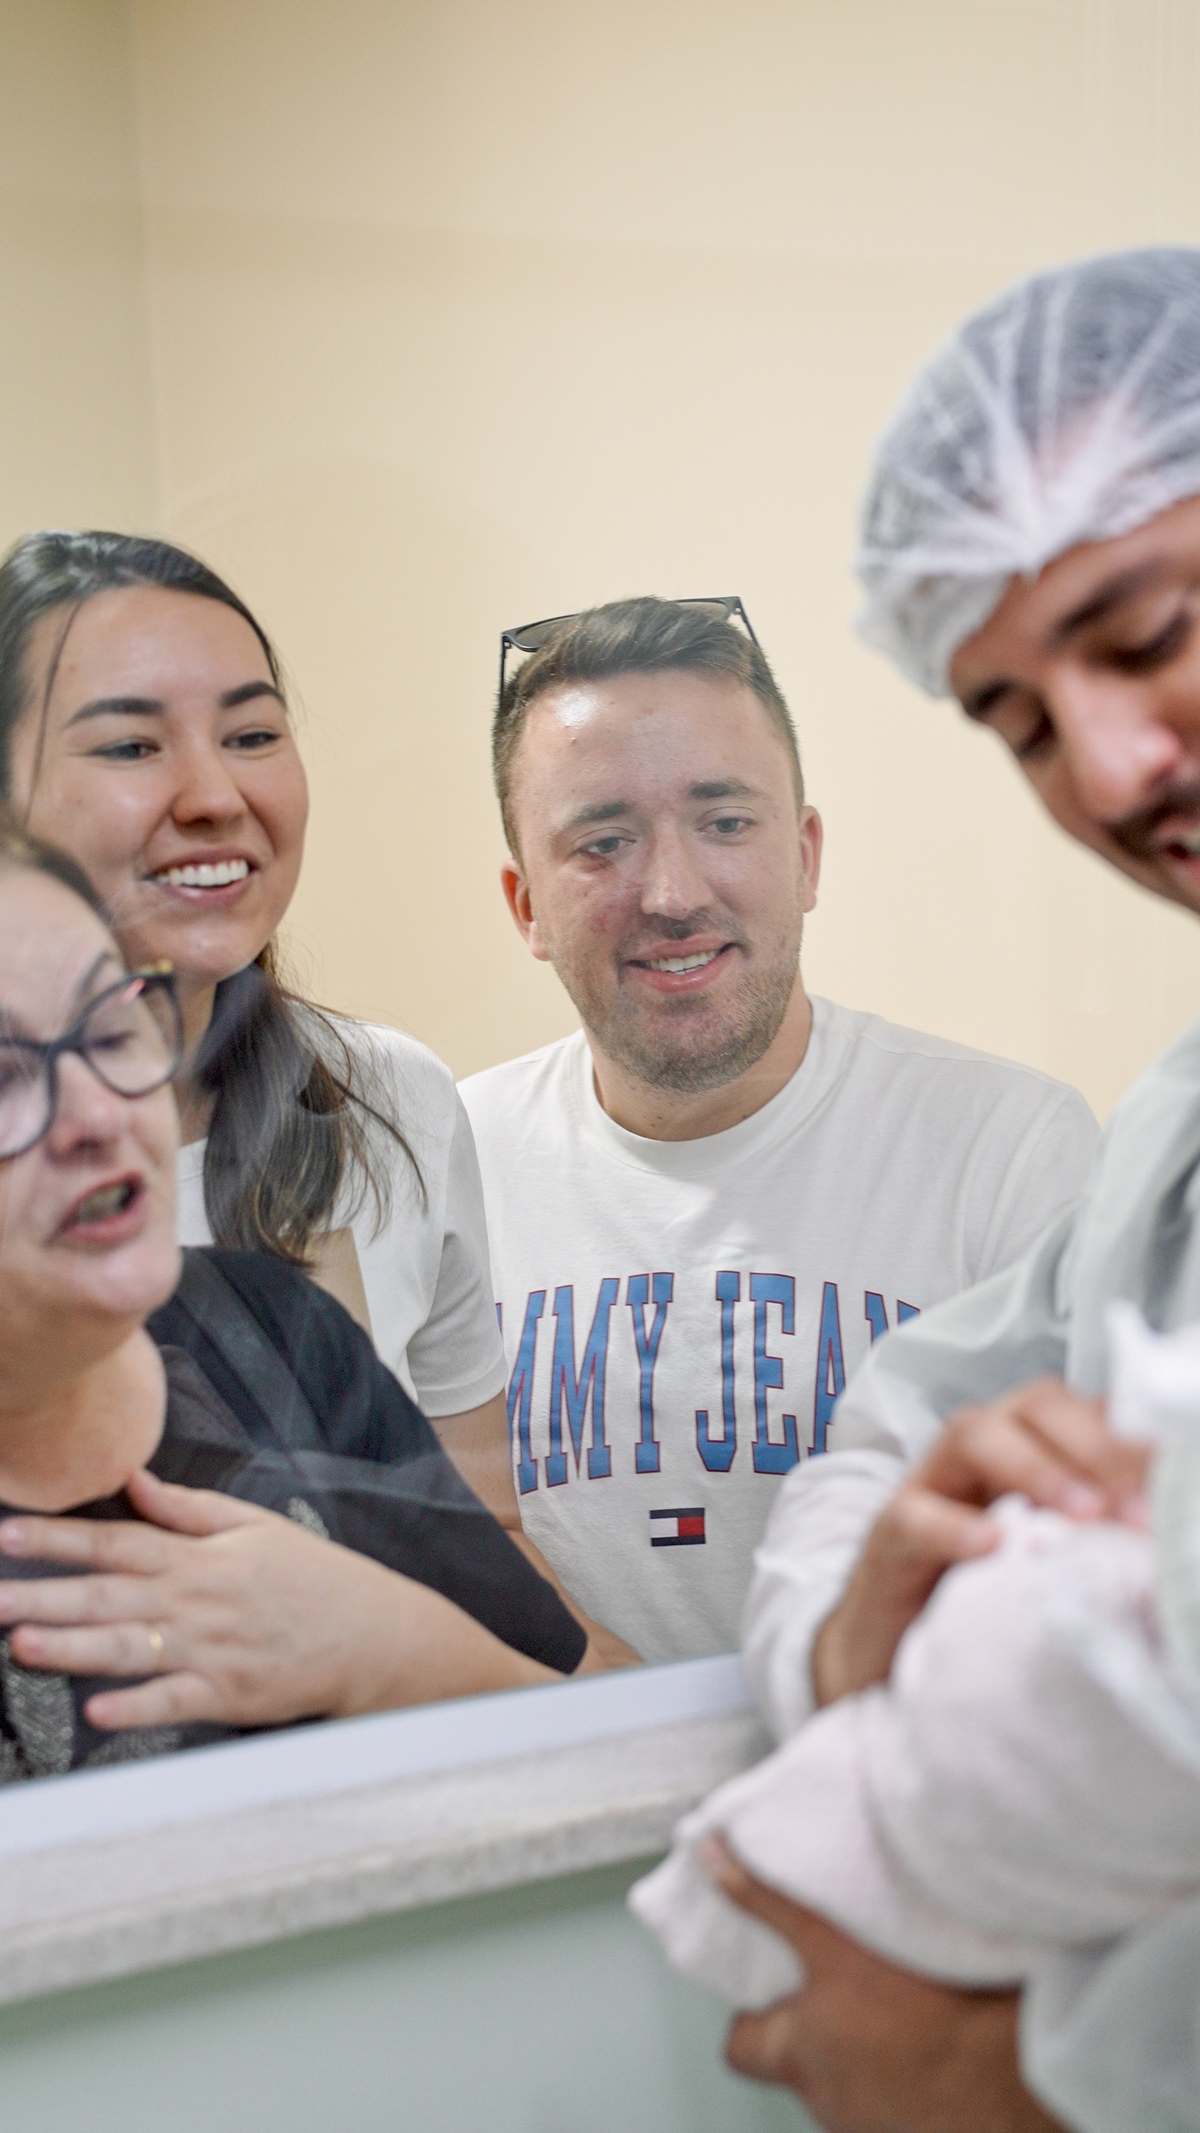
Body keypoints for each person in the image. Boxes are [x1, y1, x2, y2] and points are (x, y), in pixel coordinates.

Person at [733, 246, 1200, 2133]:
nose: (1108, 770)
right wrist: (850, 1630)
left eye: (1145, 633)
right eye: (1016, 722)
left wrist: (1033, 2077)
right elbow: (896, 1433)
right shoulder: (1176, 1139)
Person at [0, 529, 629, 1663]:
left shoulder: (382, 1116)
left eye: (252, 735)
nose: (215, 795)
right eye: (132, 744)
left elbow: (485, 1558)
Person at [459, 595, 1098, 1663]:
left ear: (805, 857)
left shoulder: (1010, 1152)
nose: (672, 893)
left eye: (725, 822)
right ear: (526, 905)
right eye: (602, 842)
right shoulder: (442, 1167)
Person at [0, 813, 589, 1774]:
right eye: (4, 1077)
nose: (99, 1115)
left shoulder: (272, 1328)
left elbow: (570, 1727)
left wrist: (384, 1650)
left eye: (111, 1027)